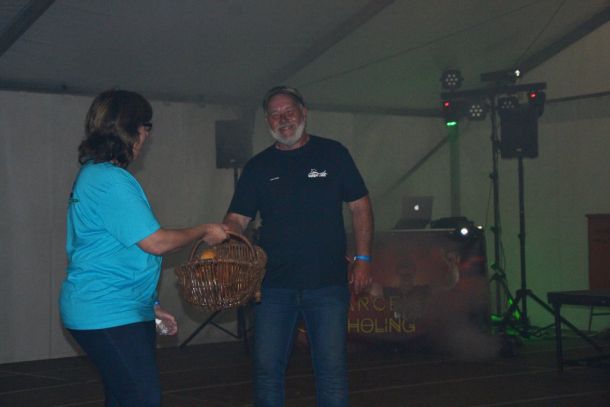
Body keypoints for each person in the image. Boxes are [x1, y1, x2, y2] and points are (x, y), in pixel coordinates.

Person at [59, 89, 229, 407]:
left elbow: (116, 249)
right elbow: (155, 242)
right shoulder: (110, 180)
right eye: (145, 126)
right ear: (131, 129)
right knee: (141, 397)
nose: (147, 136)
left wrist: (150, 305)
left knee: (124, 396)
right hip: (107, 310)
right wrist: (204, 230)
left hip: (112, 307)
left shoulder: (96, 175)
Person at [223, 86, 374, 406]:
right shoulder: (258, 166)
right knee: (267, 371)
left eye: (289, 111)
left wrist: (363, 258)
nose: (283, 119)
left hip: (327, 283)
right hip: (272, 287)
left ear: (304, 112)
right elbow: (237, 218)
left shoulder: (333, 153)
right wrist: (227, 241)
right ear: (267, 121)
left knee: (332, 371)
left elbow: (359, 205)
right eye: (275, 114)